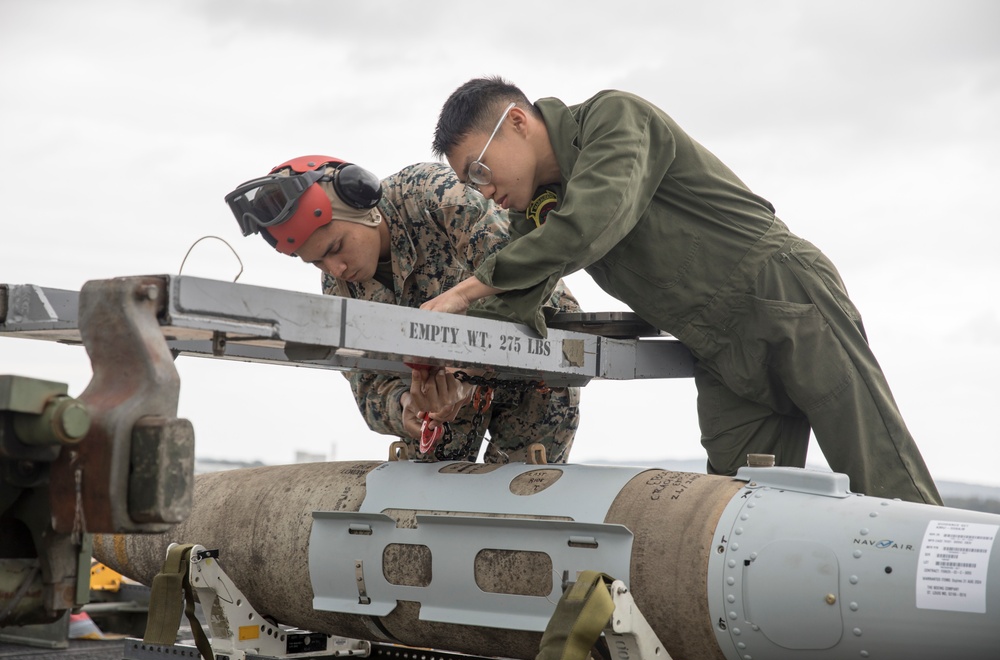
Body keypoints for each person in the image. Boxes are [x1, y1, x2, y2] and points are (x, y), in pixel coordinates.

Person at [424, 77, 942, 504]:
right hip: (718, 349)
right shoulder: (543, 207)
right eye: (471, 184)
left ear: (517, 121)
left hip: (783, 297)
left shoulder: (613, 120)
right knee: (737, 519)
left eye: (481, 169)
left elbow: (590, 223)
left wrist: (465, 293)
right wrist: (443, 351)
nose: (485, 191)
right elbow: (518, 291)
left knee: (886, 485)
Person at [226, 155, 580, 463]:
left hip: (531, 375)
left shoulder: (436, 197)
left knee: (524, 502)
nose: (335, 269)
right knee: (427, 512)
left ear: (362, 206)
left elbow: (521, 278)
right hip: (442, 407)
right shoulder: (340, 287)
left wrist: (466, 373)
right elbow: (365, 382)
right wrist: (406, 407)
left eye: (336, 247)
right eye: (316, 262)